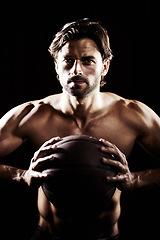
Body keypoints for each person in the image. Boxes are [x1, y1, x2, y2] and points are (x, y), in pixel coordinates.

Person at [0, 18, 160, 240]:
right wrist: (20, 175)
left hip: (106, 236)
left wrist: (136, 180)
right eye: (68, 60)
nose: (76, 70)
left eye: (87, 61)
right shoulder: (31, 115)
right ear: (56, 65)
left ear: (104, 66)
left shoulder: (134, 115)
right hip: (48, 235)